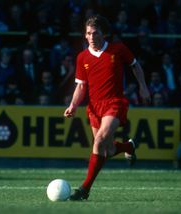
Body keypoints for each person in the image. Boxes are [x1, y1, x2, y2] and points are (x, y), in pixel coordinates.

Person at [63, 15, 150, 201]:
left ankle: (84, 189)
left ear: (104, 34)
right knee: (107, 150)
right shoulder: (82, 57)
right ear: (85, 36)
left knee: (99, 140)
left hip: (114, 103)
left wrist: (143, 86)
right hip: (94, 108)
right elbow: (81, 86)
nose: (92, 37)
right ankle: (128, 146)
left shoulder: (117, 49)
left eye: (95, 33)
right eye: (88, 33)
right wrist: (73, 105)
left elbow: (135, 66)